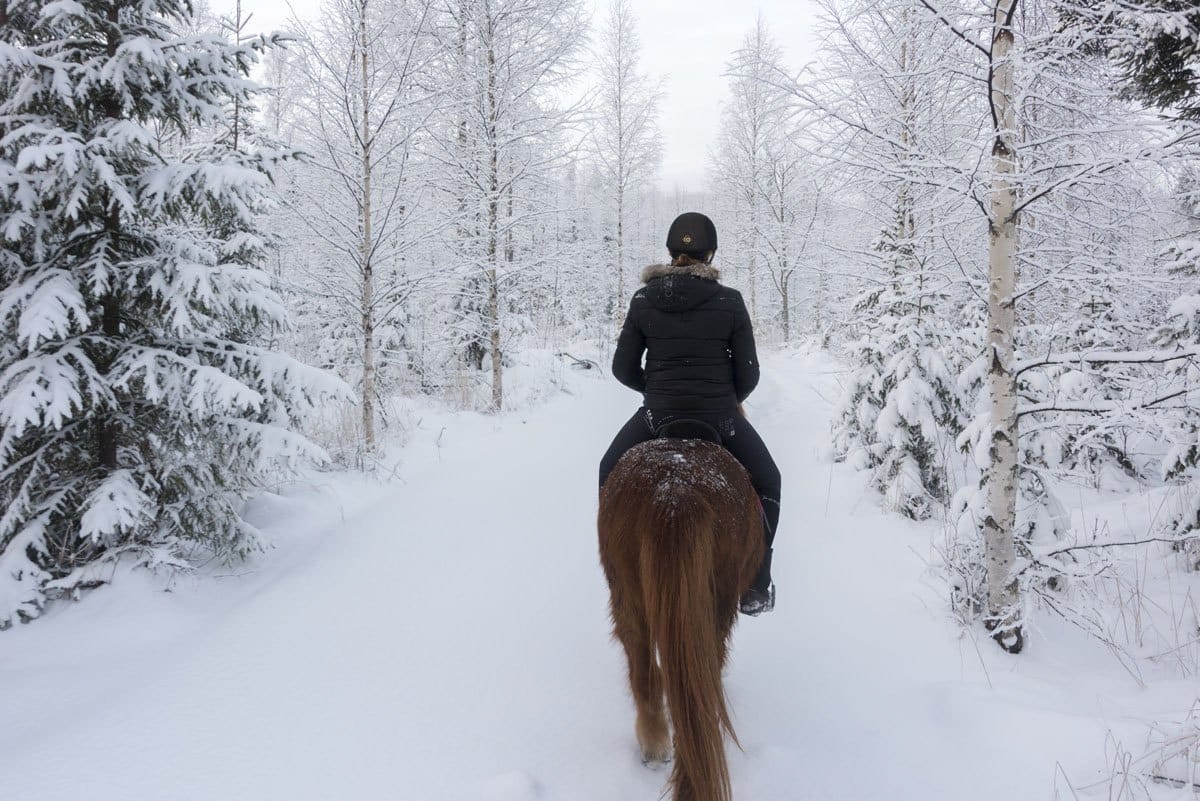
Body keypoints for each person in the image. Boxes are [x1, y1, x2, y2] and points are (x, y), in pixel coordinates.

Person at [598, 212, 781, 616]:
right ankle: (756, 585)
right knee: (769, 480)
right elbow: (748, 373)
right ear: (710, 253)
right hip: (720, 418)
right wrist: (726, 399)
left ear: (670, 252)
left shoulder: (643, 299)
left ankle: (619, 570)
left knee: (608, 471)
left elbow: (621, 369)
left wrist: (658, 391)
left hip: (656, 416)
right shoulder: (729, 301)